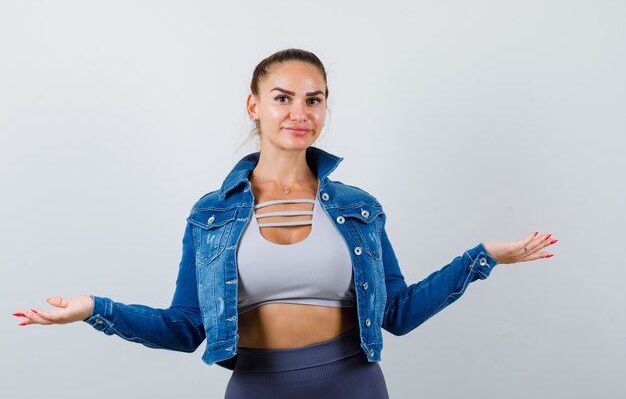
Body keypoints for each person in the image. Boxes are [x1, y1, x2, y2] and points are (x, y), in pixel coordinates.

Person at [13, 48, 557, 399]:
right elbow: (184, 329)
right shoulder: (211, 214)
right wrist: (95, 311)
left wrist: (482, 257)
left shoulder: (358, 207)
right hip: (256, 387)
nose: (300, 112)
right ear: (254, 106)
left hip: (355, 384)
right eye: (283, 98)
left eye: (313, 100)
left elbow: (397, 312)